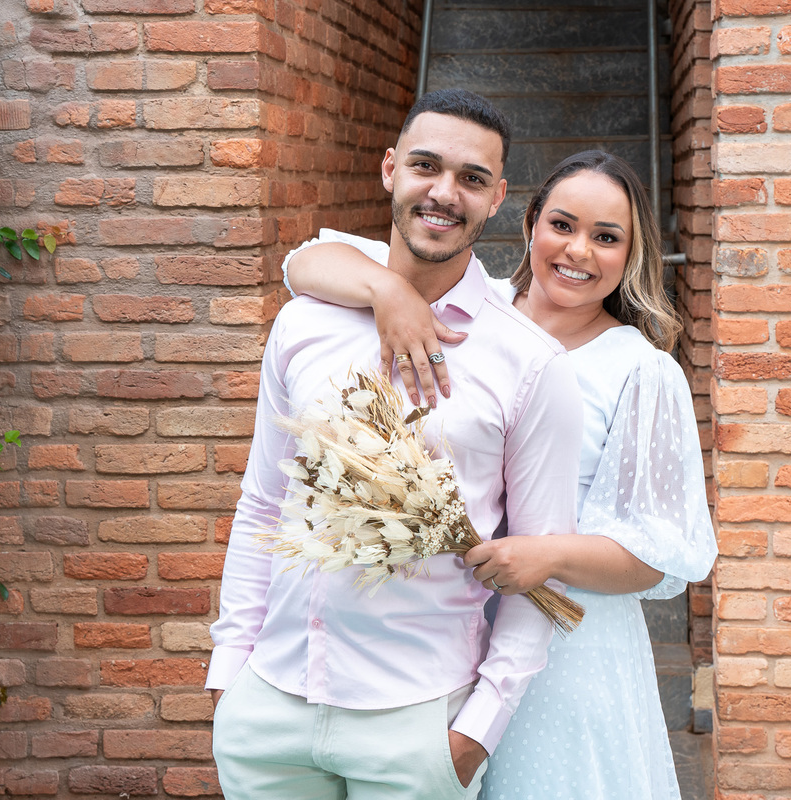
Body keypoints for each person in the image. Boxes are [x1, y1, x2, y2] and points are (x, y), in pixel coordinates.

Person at [283, 150, 718, 799]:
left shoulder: (640, 371)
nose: (578, 251)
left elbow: (652, 559)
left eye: (606, 238)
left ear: (631, 256)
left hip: (571, 658)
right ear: (528, 224)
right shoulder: (469, 314)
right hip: (445, 641)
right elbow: (306, 262)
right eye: (562, 225)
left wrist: (544, 556)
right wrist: (390, 289)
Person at [206, 89, 585, 800]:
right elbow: (263, 504)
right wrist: (231, 677)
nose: (444, 193)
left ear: (498, 197)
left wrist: (474, 735)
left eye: (471, 179)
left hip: (416, 720)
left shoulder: (531, 365)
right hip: (272, 708)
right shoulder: (304, 323)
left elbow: (540, 564)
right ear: (390, 170)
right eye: (425, 167)